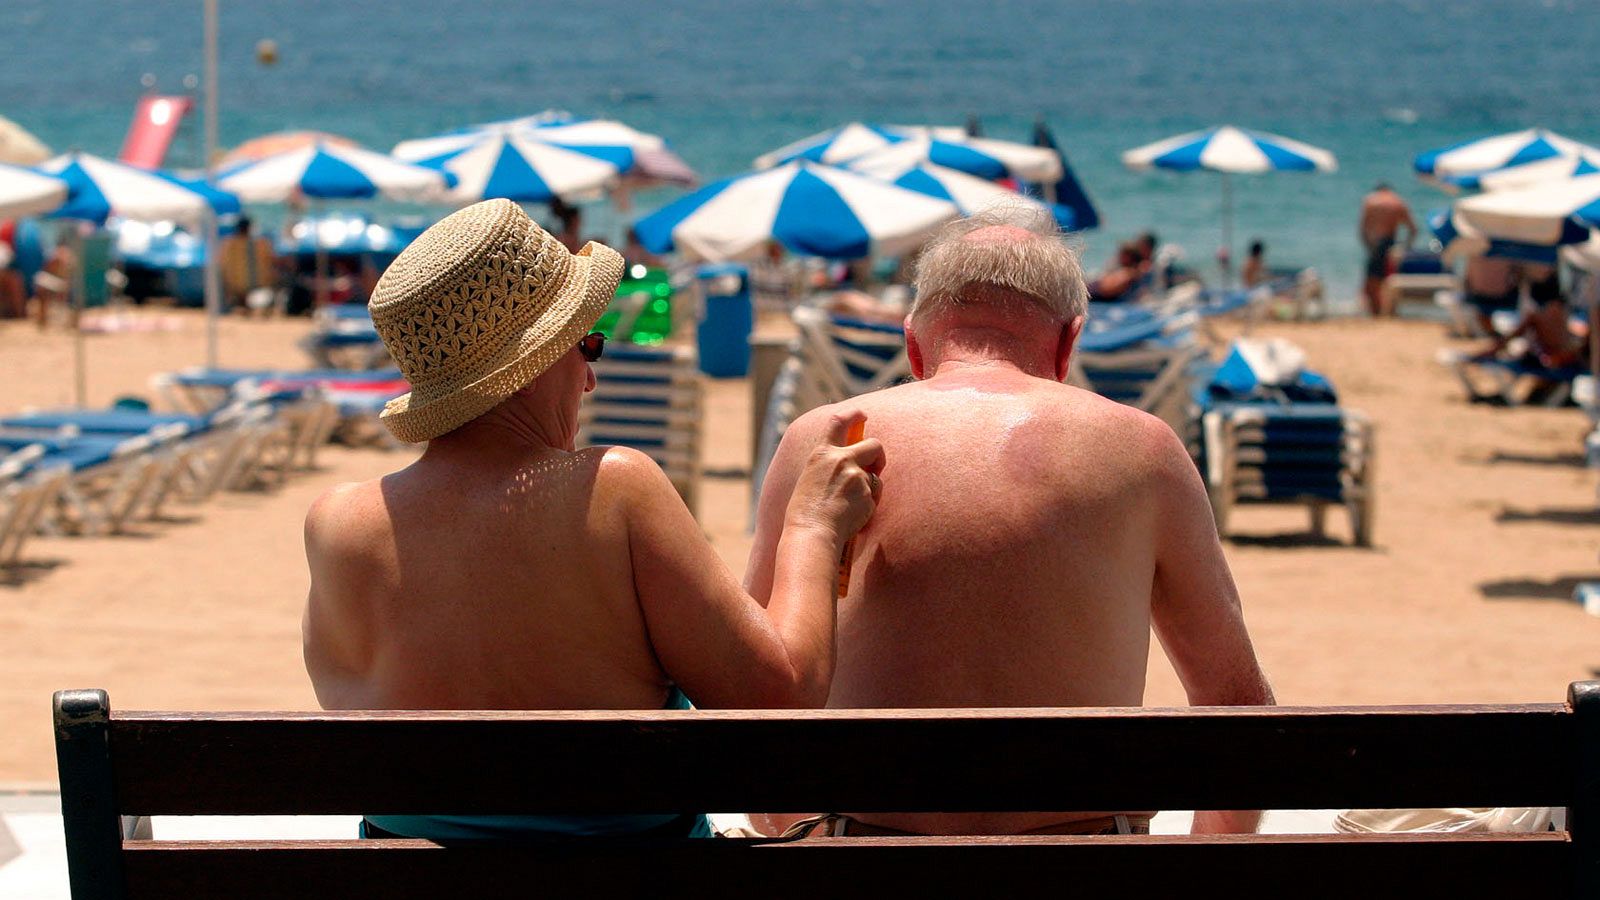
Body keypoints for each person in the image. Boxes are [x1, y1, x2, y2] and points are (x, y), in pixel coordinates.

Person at [302, 199, 885, 841]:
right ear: (531, 365)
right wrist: (813, 527)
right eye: (587, 346)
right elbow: (781, 702)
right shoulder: (613, 489)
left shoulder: (337, 525)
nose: (590, 381)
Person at [747, 204, 1274, 838]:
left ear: (914, 343)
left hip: (860, 867)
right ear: (1069, 342)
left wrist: (801, 839)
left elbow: (748, 692)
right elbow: (1239, 708)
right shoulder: (1144, 451)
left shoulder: (824, 444)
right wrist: (1205, 872)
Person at [1359, 183, 1416, 316]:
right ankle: (1389, 313)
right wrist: (1404, 247)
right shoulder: (1398, 202)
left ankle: (1376, 314)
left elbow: (1363, 229)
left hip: (1375, 245)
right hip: (1391, 244)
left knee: (1372, 284)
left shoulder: (1371, 201)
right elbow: (1413, 230)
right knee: (1390, 281)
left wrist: (1369, 246)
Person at [219, 216, 278, 314]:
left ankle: (244, 304)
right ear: (249, 228)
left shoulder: (228, 244)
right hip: (258, 285)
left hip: (236, 287)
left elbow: (223, 265)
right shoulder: (261, 244)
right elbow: (272, 261)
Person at [1462, 254, 1518, 336]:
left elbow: (1468, 279)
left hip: (1484, 297)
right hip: (1498, 296)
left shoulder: (1475, 255)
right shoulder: (1507, 255)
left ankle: (1491, 331)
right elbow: (1516, 276)